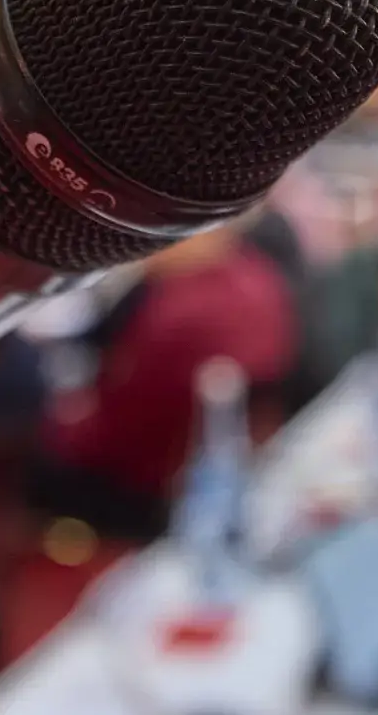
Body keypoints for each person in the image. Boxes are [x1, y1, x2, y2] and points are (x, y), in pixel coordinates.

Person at [29, 219, 297, 539]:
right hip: (199, 468)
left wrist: (59, 417)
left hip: (136, 484)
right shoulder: (258, 277)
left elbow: (116, 433)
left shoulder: (179, 315)